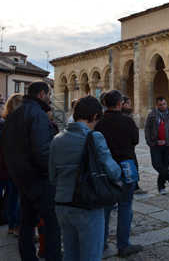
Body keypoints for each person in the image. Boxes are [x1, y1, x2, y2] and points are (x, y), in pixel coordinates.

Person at [50, 95, 122, 261]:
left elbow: (53, 177)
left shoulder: (56, 139)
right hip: (86, 205)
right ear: (95, 116)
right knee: (90, 257)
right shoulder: (94, 137)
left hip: (62, 205)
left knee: (70, 255)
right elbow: (112, 171)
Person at [2, 81, 62, 260]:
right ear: (42, 94)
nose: (51, 98)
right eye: (50, 94)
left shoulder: (16, 112)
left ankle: (28, 257)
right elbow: (42, 150)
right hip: (37, 177)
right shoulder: (37, 113)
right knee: (52, 222)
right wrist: (53, 175)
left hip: (21, 175)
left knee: (27, 221)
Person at [94, 90, 142, 257]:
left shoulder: (98, 122)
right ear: (120, 103)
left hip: (105, 169)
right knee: (125, 207)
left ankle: (102, 242)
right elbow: (135, 140)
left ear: (104, 104)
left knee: (105, 208)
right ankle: (123, 245)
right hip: (126, 167)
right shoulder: (127, 121)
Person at [0, 93, 23, 235]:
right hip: (17, 163)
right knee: (18, 195)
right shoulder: (18, 121)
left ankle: (12, 224)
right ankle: (17, 226)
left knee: (13, 194)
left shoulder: (7, 119)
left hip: (9, 162)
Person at [145, 96, 169, 195]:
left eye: (164, 104)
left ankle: (161, 187)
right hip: (155, 145)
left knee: (165, 166)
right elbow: (147, 129)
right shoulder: (151, 115)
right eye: (160, 105)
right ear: (157, 105)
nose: (163, 107)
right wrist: (149, 142)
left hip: (168, 145)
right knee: (157, 165)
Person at [121, 95, 147, 195]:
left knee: (134, 165)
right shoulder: (122, 115)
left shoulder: (129, 113)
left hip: (131, 145)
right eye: (127, 102)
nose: (129, 104)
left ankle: (135, 186)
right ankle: (132, 187)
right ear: (122, 104)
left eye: (130, 101)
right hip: (125, 146)